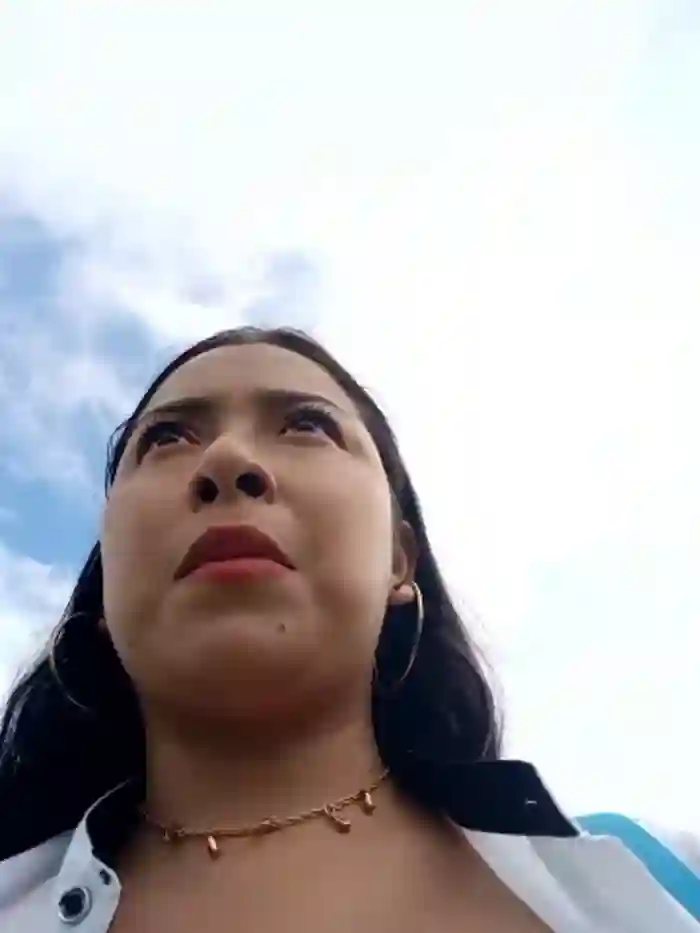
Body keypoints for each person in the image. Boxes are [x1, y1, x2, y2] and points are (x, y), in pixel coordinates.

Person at [0, 326, 697, 932]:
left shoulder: (665, 882)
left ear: (399, 558)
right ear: (105, 588)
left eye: (306, 425)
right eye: (167, 438)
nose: (226, 461)